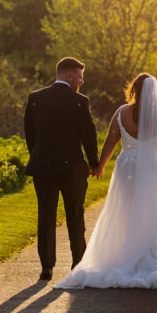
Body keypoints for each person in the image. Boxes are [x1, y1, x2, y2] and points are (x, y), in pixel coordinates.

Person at [54, 73, 157, 289]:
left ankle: (128, 253)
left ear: (135, 90)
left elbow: (111, 140)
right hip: (156, 168)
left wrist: (101, 165)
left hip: (128, 168)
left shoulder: (122, 112)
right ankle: (154, 252)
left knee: (127, 210)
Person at [23, 57, 101, 281]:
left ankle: (47, 267)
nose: (81, 81)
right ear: (69, 76)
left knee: (45, 215)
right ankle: (78, 264)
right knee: (75, 214)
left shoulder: (36, 98)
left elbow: (30, 133)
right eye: (80, 76)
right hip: (72, 168)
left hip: (43, 167)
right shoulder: (79, 100)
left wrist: (38, 156)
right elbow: (88, 134)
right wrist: (94, 162)